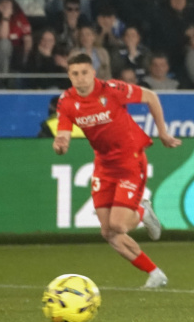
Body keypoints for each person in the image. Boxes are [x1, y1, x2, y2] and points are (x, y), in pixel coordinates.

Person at [53, 53, 181, 287]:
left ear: (93, 72)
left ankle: (142, 211)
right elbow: (63, 135)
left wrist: (162, 132)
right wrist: (60, 145)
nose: (80, 78)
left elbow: (151, 96)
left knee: (118, 225)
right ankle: (155, 273)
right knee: (108, 232)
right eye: (74, 74)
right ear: (69, 76)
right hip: (104, 164)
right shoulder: (67, 101)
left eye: (84, 72)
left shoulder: (111, 89)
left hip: (130, 160)